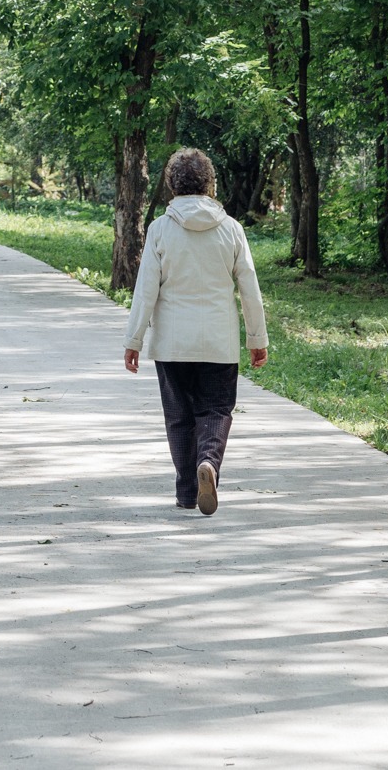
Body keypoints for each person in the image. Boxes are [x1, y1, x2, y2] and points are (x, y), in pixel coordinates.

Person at [122, 148, 267, 516]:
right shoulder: (231, 229)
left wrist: (133, 340)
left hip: (172, 343)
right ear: (210, 184)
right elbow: (249, 288)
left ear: (171, 184)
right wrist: (257, 340)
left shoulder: (159, 229)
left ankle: (188, 491)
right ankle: (209, 463)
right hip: (218, 342)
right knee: (217, 409)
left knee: (179, 417)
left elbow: (146, 291)